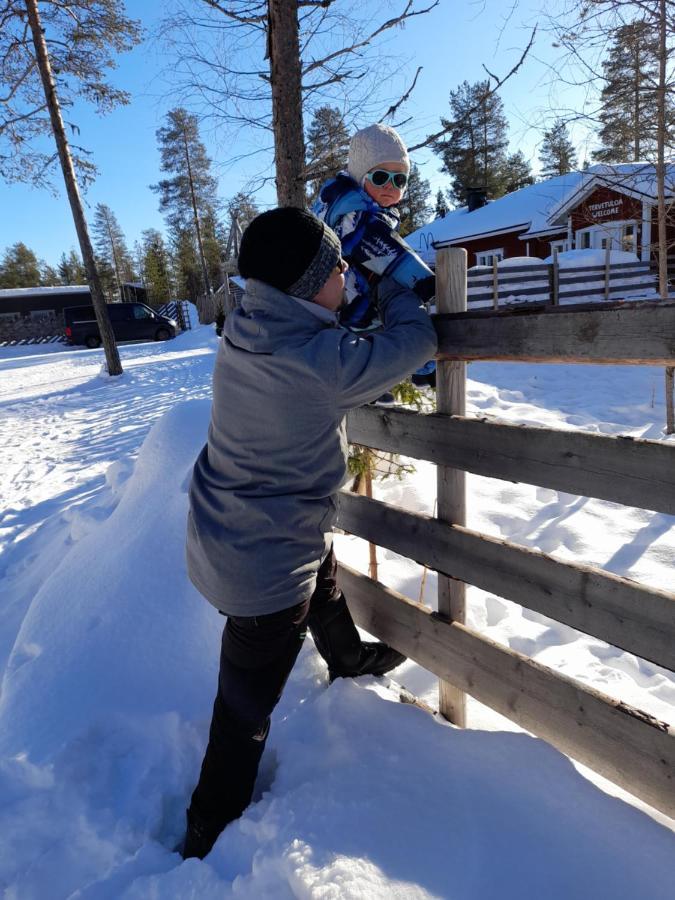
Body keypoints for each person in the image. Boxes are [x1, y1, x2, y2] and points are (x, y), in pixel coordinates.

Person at [182, 207, 437, 860]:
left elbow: (314, 339)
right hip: (259, 567)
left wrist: (347, 297)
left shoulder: (245, 328)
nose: (346, 270)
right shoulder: (321, 361)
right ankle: (204, 831)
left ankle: (348, 661)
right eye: (335, 267)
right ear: (304, 286)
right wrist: (392, 291)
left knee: (320, 579)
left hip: (226, 529)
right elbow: (414, 345)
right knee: (242, 712)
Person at [313, 123, 437, 401]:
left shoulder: (343, 204)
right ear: (360, 175)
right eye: (381, 177)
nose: (391, 188)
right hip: (344, 293)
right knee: (398, 303)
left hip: (344, 293)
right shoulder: (353, 213)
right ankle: (420, 367)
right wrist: (428, 284)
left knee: (367, 338)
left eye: (400, 180)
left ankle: (373, 387)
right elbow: (388, 255)